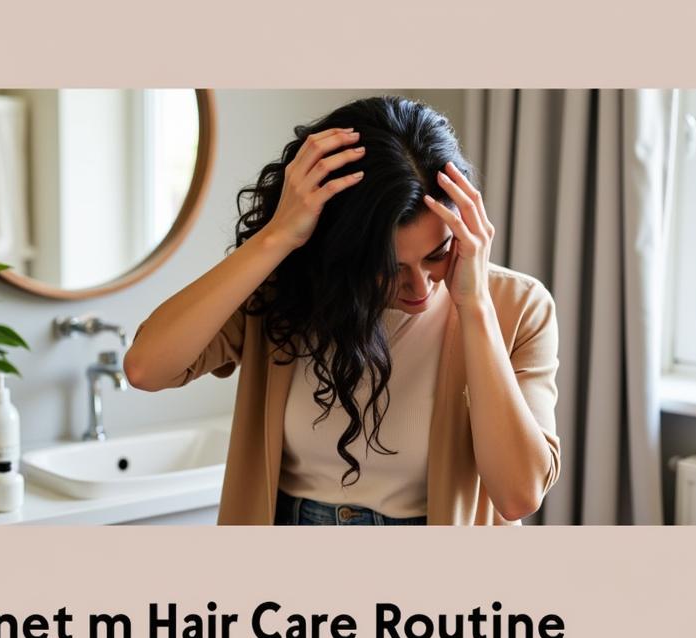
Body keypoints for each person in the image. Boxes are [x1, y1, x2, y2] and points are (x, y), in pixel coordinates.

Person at [124, 95, 560, 526]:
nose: (419, 287)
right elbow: (146, 368)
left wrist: (475, 306)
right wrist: (278, 236)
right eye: (386, 268)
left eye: (437, 254)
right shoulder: (282, 290)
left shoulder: (517, 306)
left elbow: (518, 495)